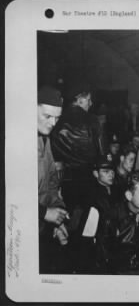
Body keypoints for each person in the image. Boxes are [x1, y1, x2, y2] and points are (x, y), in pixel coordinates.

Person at [51, 83, 103, 218]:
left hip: (64, 178)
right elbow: (102, 151)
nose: (91, 104)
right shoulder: (92, 120)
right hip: (88, 177)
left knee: (65, 214)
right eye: (89, 100)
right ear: (80, 100)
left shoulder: (56, 119)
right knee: (88, 217)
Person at [37, 85, 69, 273]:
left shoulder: (44, 140)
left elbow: (51, 182)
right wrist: (44, 213)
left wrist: (58, 217)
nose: (52, 123)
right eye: (47, 116)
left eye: (57, 118)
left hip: (40, 227)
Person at [70, 155, 116, 274]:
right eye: (106, 171)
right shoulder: (94, 199)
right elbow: (87, 236)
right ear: (96, 174)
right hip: (99, 250)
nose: (111, 174)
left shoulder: (115, 190)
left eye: (112, 171)